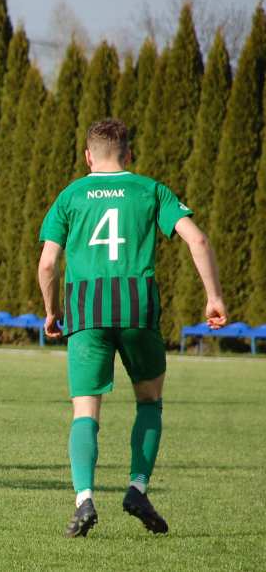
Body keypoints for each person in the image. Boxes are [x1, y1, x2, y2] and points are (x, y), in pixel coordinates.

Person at [37, 119, 227, 537]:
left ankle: (84, 499)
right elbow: (197, 240)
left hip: (86, 310)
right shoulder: (150, 189)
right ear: (128, 154)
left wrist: (51, 312)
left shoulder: (70, 195)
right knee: (149, 402)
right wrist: (213, 296)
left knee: (85, 411)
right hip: (137, 306)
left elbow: (48, 263)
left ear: (88, 156)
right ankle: (137, 488)